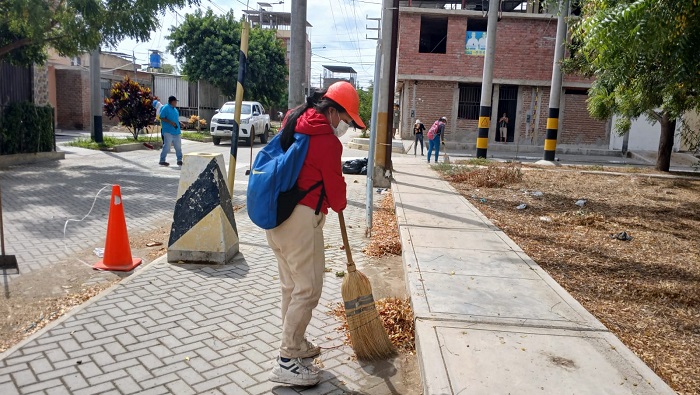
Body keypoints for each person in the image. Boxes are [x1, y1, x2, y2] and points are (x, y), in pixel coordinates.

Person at [266, 81, 365, 387]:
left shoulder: (295, 118)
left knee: (291, 287)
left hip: (276, 215)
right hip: (300, 221)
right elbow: (337, 199)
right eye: (346, 121)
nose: (345, 127)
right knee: (308, 289)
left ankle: (295, 346)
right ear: (333, 112)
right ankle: (287, 360)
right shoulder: (326, 141)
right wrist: (340, 193)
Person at [158, 96, 183, 166]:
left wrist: (180, 123)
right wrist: (170, 122)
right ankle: (162, 160)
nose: (176, 103)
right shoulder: (165, 108)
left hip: (176, 131)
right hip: (168, 131)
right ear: (172, 102)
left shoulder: (175, 110)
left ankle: (179, 160)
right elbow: (161, 117)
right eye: (175, 101)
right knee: (167, 146)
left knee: (178, 146)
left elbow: (175, 119)